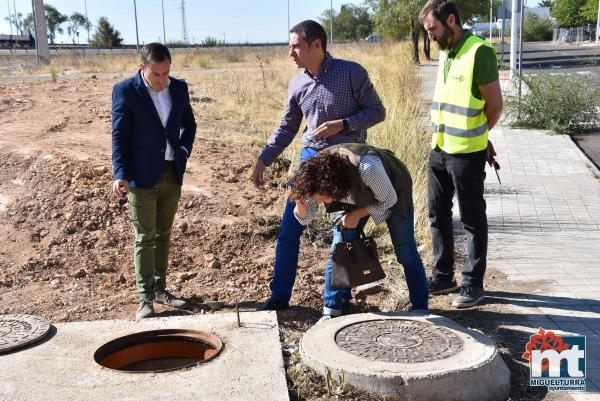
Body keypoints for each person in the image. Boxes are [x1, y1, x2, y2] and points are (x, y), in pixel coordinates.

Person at [250, 20, 386, 311]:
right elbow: (287, 128)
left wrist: (344, 124)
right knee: (290, 228)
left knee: (344, 232)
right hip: (310, 162)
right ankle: (279, 298)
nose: (291, 53)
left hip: (348, 162)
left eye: (296, 46)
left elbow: (377, 111)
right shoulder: (297, 83)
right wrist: (263, 159)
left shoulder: (351, 72)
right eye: (290, 47)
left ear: (316, 45)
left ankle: (333, 306)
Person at [419, 0, 503, 307]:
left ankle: (473, 284)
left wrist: (482, 136)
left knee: (471, 218)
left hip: (466, 152)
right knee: (437, 214)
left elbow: (494, 106)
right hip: (439, 147)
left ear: (451, 20)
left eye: (432, 29)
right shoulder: (446, 50)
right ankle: (443, 277)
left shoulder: (478, 52)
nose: (430, 36)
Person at [290, 143, 428, 321]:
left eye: (324, 198)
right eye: (319, 198)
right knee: (339, 247)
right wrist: (300, 198)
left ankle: (420, 308)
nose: (323, 203)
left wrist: (356, 214)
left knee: (406, 252)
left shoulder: (367, 167)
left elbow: (389, 200)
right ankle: (331, 311)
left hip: (393, 190)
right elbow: (304, 218)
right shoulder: (314, 179)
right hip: (355, 193)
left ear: (335, 188)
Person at [112, 43, 197, 320]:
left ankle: (161, 289)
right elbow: (119, 135)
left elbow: (189, 125)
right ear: (143, 68)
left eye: (166, 73)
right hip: (141, 176)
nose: (162, 80)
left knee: (163, 234)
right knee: (144, 238)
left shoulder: (179, 88)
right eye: (156, 74)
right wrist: (120, 173)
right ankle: (145, 298)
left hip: (172, 172)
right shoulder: (125, 91)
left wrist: (183, 150)